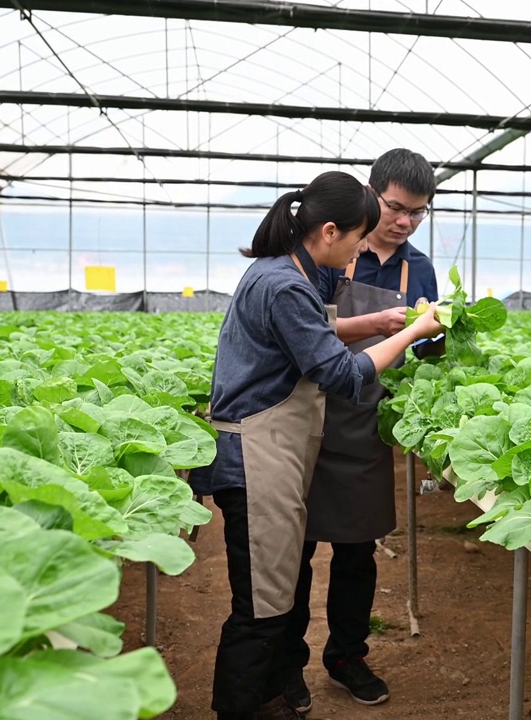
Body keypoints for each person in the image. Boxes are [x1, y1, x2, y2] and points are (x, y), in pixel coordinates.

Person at [191, 170, 443, 720]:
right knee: (259, 609)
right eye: (358, 238)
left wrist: (377, 320)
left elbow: (317, 335)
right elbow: (341, 375)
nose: (360, 250)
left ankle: (271, 700)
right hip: (257, 458)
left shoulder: (283, 274)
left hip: (271, 452)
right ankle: (243, 707)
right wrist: (408, 333)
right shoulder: (284, 285)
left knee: (271, 597)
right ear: (331, 232)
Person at [279, 149, 440, 713]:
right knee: (293, 552)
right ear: (371, 196)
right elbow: (307, 335)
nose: (403, 221)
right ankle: (287, 663)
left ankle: (346, 655)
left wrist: (444, 338)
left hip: (363, 425)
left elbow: (423, 352)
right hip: (307, 418)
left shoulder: (417, 269)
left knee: (356, 551)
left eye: (417, 213)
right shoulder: (330, 250)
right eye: (395, 207)